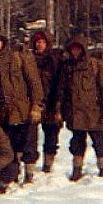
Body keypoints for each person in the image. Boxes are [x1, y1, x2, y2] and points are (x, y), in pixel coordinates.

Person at [0, 32, 44, 184]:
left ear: (3, 42)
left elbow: (34, 82)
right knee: (9, 144)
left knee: (29, 143)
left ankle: (29, 174)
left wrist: (36, 106)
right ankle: (14, 172)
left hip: (24, 108)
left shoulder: (18, 58)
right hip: (2, 112)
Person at [58, 35, 103, 181]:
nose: (75, 52)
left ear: (83, 50)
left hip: (96, 113)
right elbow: (62, 91)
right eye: (72, 49)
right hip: (76, 113)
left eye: (78, 49)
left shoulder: (96, 65)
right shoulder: (67, 67)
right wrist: (60, 109)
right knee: (76, 143)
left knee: (100, 142)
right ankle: (77, 169)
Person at [30, 30, 64, 173]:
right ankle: (29, 162)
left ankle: (48, 163)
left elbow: (60, 81)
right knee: (30, 134)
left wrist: (58, 103)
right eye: (37, 42)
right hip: (32, 101)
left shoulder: (55, 59)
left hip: (51, 100)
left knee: (51, 134)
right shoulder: (29, 58)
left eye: (43, 42)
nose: (40, 44)